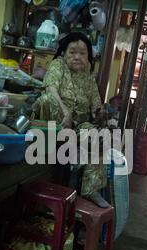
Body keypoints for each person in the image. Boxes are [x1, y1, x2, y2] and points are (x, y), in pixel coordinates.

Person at [32, 32, 109, 208]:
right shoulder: (58, 65)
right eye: (72, 52)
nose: (77, 57)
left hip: (77, 124)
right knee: (47, 99)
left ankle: (90, 189)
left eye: (83, 53)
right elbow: (50, 87)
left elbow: (96, 103)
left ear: (88, 56)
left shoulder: (88, 74)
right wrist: (64, 110)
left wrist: (101, 114)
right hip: (54, 120)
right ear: (64, 53)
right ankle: (68, 147)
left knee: (99, 137)